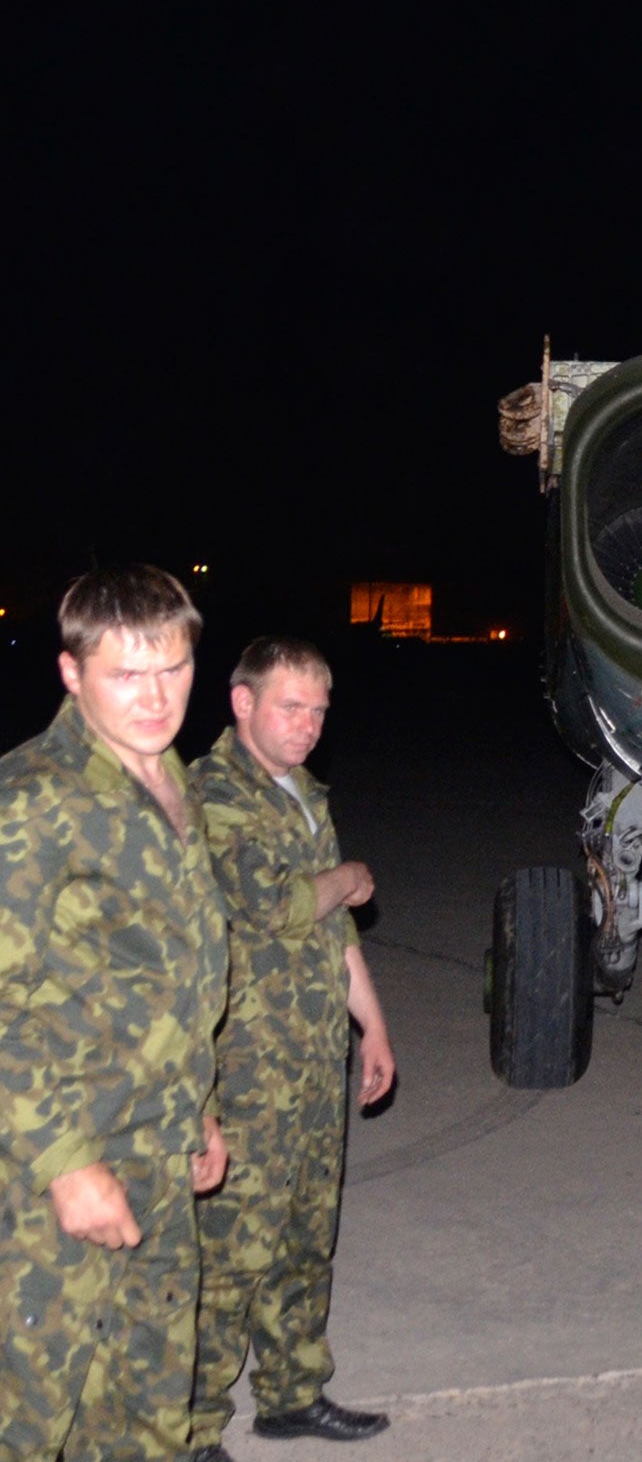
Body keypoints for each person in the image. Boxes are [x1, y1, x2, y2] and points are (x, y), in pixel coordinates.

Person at [0, 565, 229, 1460]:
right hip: (57, 1158)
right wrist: (65, 1165)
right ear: (71, 673)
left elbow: (178, 968)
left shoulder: (169, 779)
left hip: (156, 1145)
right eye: (125, 675)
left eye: (172, 669)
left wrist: (199, 1106)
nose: (155, 697)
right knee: (31, 1410)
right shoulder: (33, 799)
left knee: (143, 1405)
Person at [188, 638, 395, 1460]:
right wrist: (344, 877)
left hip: (312, 1057)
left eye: (318, 711)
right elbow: (274, 904)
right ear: (243, 705)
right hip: (244, 1066)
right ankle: (193, 1424)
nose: (308, 726)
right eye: (291, 708)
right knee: (230, 1252)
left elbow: (334, 929)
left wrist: (371, 1024)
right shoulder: (212, 791)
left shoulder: (304, 793)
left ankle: (291, 1391)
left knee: (308, 1233)